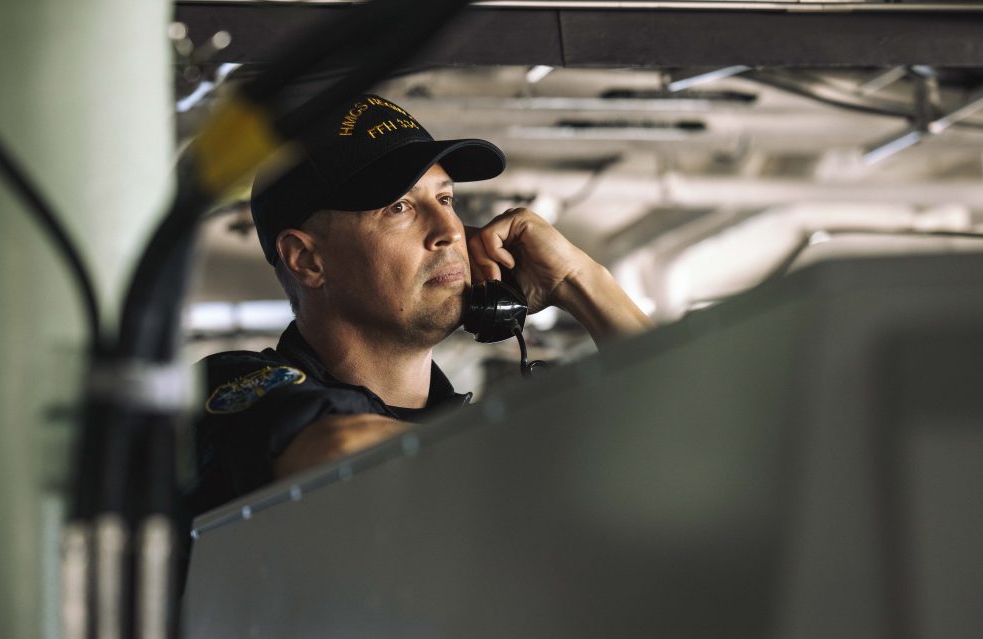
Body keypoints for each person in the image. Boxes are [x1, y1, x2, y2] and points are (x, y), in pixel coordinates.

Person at [185, 94, 651, 518]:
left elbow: (687, 426)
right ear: (307, 260)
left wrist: (580, 280)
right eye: (399, 207)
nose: (449, 230)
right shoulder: (229, 389)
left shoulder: (459, 434)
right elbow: (338, 448)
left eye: (446, 198)